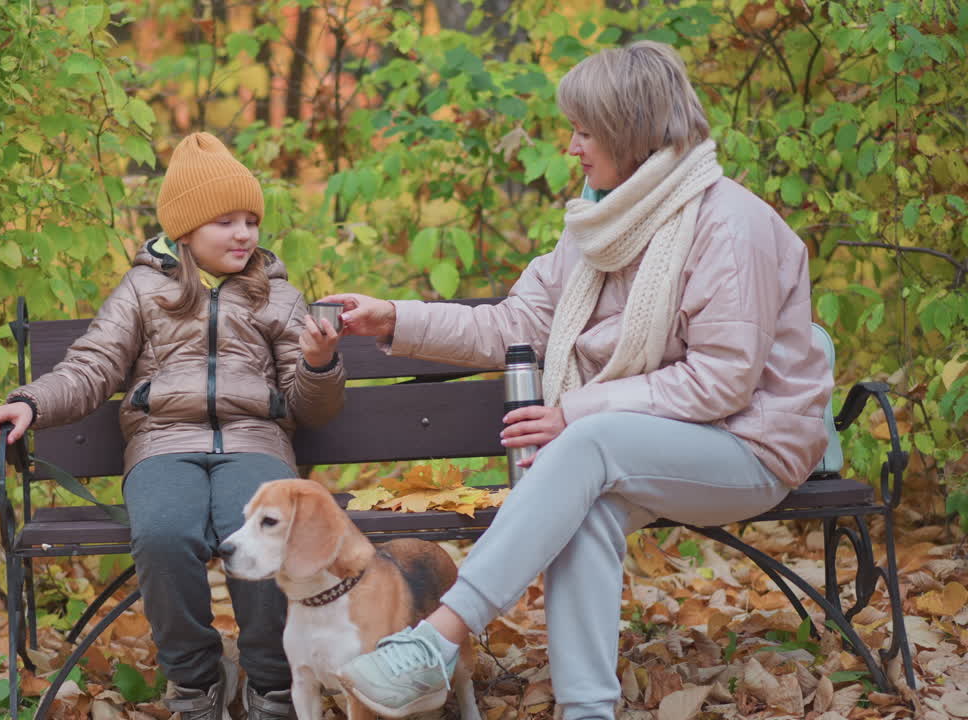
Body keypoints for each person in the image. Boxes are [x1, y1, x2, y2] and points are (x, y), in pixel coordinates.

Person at [319, 41, 832, 720]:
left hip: (750, 445)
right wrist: (395, 319)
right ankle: (587, 710)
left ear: (632, 132)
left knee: (584, 446)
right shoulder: (601, 224)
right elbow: (517, 324)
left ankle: (437, 641)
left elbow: (724, 380)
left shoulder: (729, 226)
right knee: (584, 502)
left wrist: (577, 412)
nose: (572, 145)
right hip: (652, 447)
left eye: (586, 132)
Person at [0, 132, 346, 720]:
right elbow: (92, 364)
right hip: (163, 446)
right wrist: (32, 402)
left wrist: (320, 364)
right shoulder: (143, 291)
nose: (243, 234)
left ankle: (274, 682)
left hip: (256, 444)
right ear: (187, 229)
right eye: (225, 221)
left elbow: (313, 409)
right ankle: (198, 680)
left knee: (261, 534)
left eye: (250, 220)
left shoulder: (277, 296)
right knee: (164, 534)